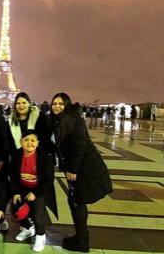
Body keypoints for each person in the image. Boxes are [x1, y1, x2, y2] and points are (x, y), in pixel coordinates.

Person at [50, 92, 112, 252]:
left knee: (77, 201)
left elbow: (80, 145)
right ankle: (81, 236)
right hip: (79, 167)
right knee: (76, 201)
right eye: (54, 103)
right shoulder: (60, 120)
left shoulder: (74, 120)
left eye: (60, 104)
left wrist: (72, 169)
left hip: (84, 168)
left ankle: (82, 241)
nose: (57, 106)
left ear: (67, 105)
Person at [10, 130, 58, 252]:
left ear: (37, 143)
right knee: (16, 209)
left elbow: (49, 179)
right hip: (22, 188)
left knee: (38, 215)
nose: (29, 143)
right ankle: (28, 229)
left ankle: (41, 235)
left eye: (32, 140)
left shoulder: (44, 156)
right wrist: (16, 191)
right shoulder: (17, 154)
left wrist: (36, 193)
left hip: (39, 189)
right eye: (26, 140)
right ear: (21, 141)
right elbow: (13, 175)